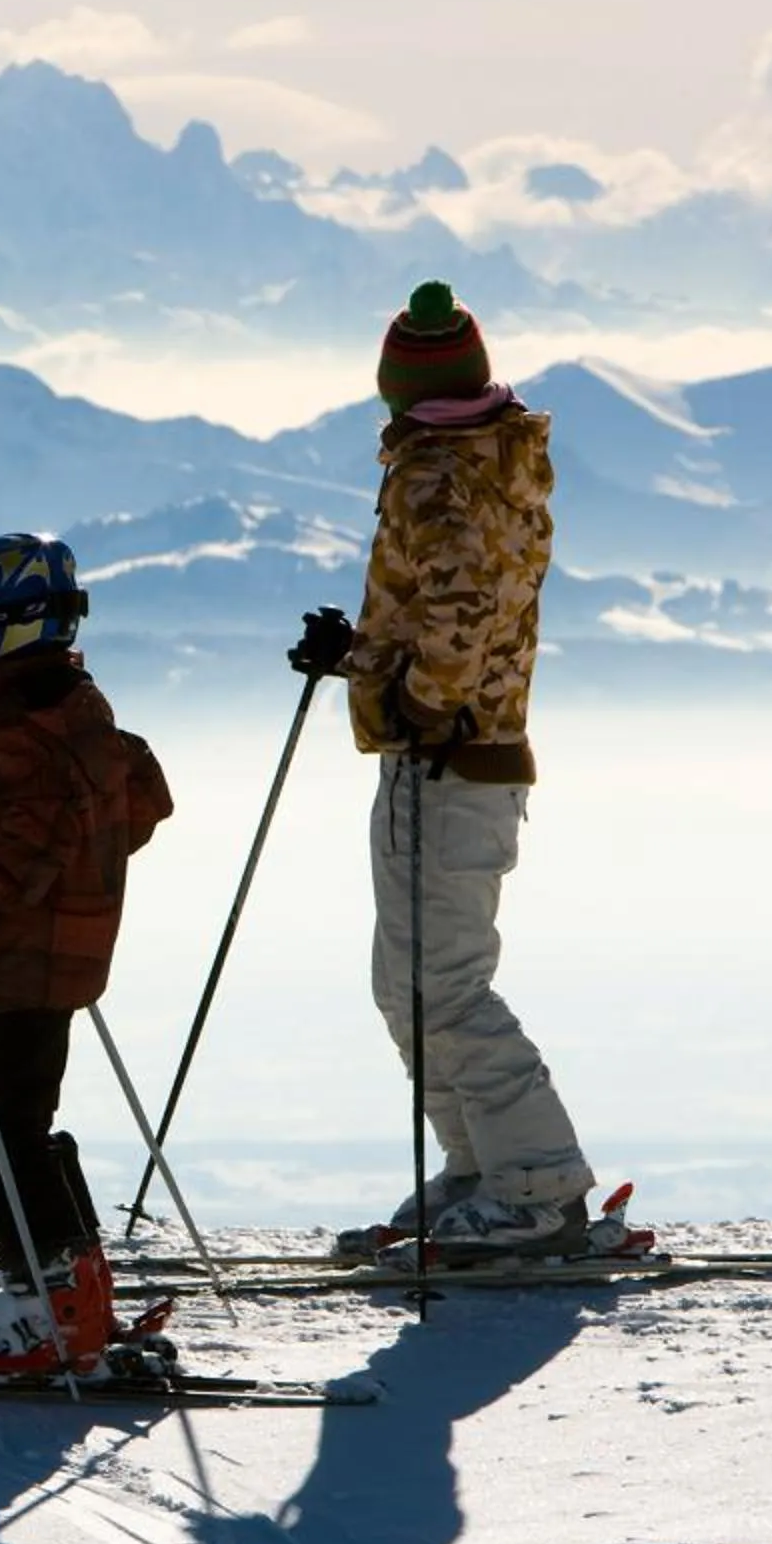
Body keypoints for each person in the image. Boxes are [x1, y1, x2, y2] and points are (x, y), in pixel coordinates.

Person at [289, 278, 596, 1255]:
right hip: (468, 757)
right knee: (409, 982)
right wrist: (362, 657)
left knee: (442, 984)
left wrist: (412, 704)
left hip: (447, 761)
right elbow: (457, 603)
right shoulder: (500, 463)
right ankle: (482, 1165)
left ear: (397, 388)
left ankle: (537, 1185)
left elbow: (458, 611)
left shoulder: (436, 473)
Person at [0, 536, 174, 1375]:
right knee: (24, 1123)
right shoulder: (81, 712)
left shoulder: (25, 731)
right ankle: (76, 1294)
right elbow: (141, 803)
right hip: (61, 955)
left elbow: (31, 841)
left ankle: (45, 1308)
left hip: (11, 962)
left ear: (16, 628)